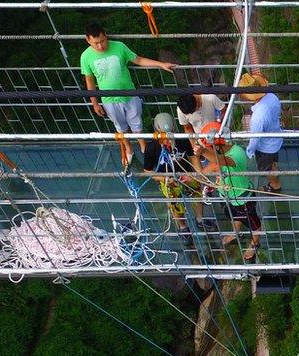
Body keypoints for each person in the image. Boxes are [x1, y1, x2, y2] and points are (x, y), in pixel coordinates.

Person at [80, 22, 176, 161]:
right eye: (96, 43)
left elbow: (139, 60)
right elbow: (89, 81)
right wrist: (95, 103)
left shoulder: (119, 47)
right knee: (120, 127)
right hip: (109, 100)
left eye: (102, 41)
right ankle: (128, 148)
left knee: (137, 124)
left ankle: (143, 148)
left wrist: (161, 64)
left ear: (106, 36)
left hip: (130, 95)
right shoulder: (85, 57)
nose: (100, 46)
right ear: (88, 40)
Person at [142, 113, 216, 244]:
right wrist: (164, 179)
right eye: (165, 137)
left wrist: (197, 175)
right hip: (167, 179)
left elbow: (192, 157)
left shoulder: (181, 139)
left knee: (197, 195)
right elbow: (148, 171)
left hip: (186, 174)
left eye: (171, 135)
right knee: (175, 204)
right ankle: (183, 227)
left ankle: (200, 220)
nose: (168, 140)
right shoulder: (152, 147)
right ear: (157, 132)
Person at [195, 122, 261, 261]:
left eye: (210, 148)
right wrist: (190, 176)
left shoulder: (236, 153)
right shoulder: (219, 153)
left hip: (243, 198)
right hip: (228, 197)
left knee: (254, 225)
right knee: (234, 216)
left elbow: (220, 161)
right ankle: (236, 233)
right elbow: (209, 168)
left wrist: (203, 152)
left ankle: (255, 244)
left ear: (217, 146)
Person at [237, 73, 284, 192]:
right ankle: (274, 169)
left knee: (265, 168)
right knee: (272, 162)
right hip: (276, 138)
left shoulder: (258, 116)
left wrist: (250, 150)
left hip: (265, 148)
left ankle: (275, 185)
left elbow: (255, 138)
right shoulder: (272, 96)